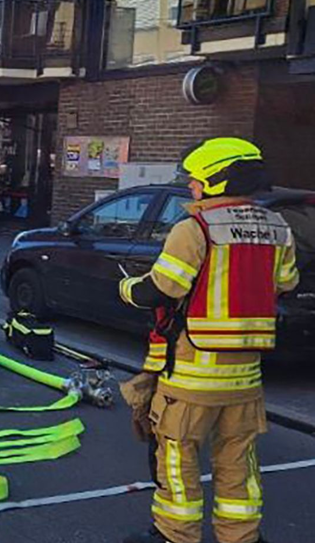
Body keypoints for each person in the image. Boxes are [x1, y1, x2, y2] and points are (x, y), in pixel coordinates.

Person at [119, 138, 299, 543]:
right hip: (246, 378)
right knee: (238, 463)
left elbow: (162, 289)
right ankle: (242, 536)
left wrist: (127, 288)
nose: (191, 187)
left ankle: (174, 535)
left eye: (196, 181)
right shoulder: (278, 228)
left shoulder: (194, 229)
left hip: (191, 376)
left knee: (177, 461)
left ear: (218, 181)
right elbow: (286, 282)